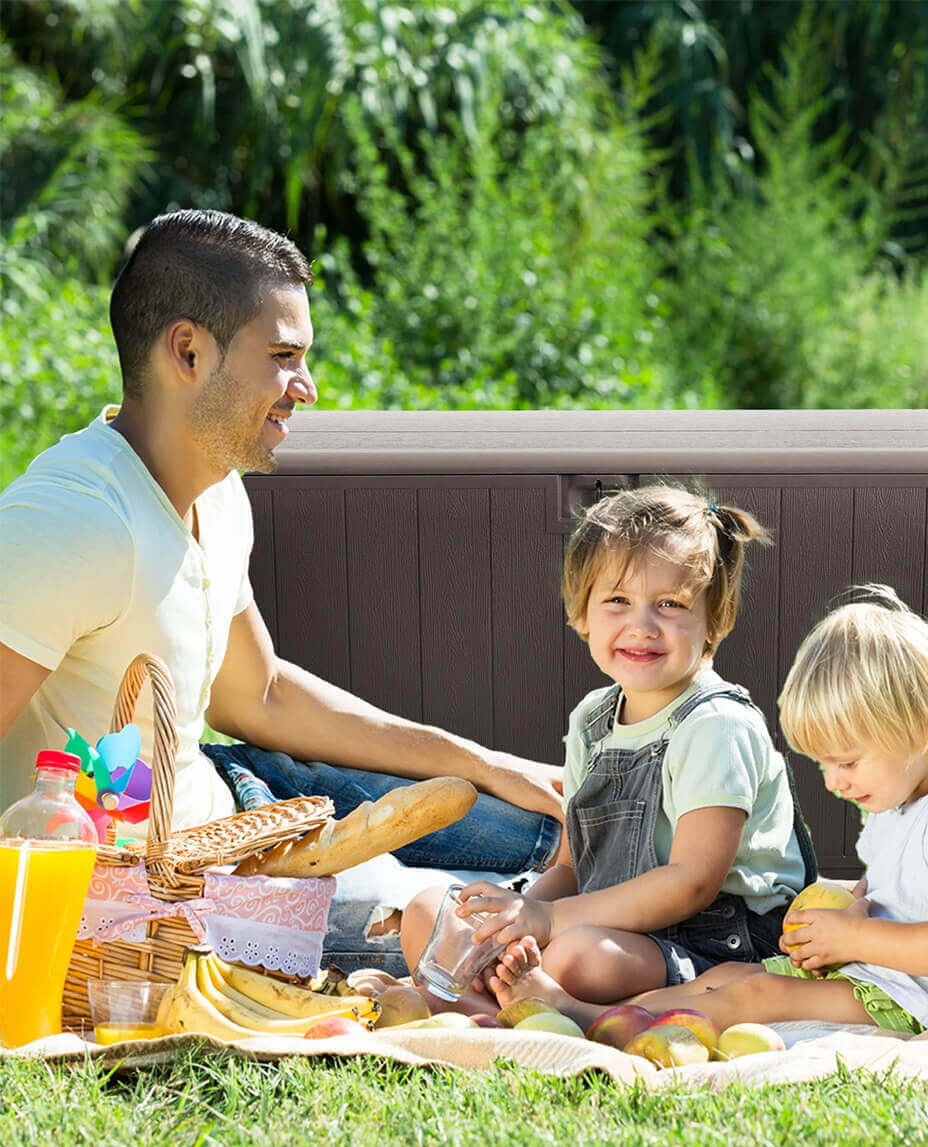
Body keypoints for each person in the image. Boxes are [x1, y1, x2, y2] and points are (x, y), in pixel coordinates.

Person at [0, 209, 565, 914]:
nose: (307, 386)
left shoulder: (217, 488)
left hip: (242, 799)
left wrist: (484, 762)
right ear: (187, 352)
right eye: (282, 357)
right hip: (171, 897)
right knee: (482, 922)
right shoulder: (72, 521)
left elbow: (258, 695)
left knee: (555, 827)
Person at [486, 589, 928, 1035]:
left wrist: (854, 941)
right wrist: (852, 911)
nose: (834, 782)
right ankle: (587, 1010)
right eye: (826, 764)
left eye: (847, 761)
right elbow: (907, 886)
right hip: (899, 974)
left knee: (758, 995)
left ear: (917, 726)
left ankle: (585, 1021)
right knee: (730, 977)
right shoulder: (909, 784)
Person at [399, 484, 818, 1008]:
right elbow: (575, 870)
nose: (641, 626)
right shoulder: (594, 721)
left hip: (716, 943)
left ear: (717, 618)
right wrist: (513, 916)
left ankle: (493, 1005)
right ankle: (507, 999)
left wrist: (550, 922)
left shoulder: (716, 725)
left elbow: (693, 882)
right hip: (601, 922)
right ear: (582, 615)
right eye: (617, 601)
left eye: (670, 604)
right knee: (431, 910)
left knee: (578, 957)